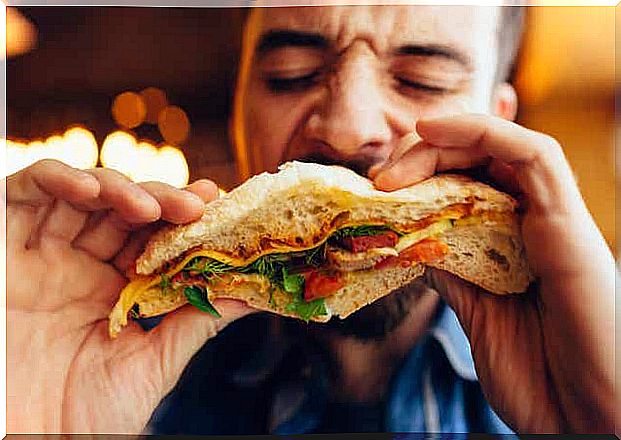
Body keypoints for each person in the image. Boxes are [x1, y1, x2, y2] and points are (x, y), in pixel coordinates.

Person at [6, 5, 617, 435]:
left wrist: (597, 423)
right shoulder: (118, 371)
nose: (348, 128)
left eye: (421, 79)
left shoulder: (587, 374)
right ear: (241, 106)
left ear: (500, 119)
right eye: (290, 74)